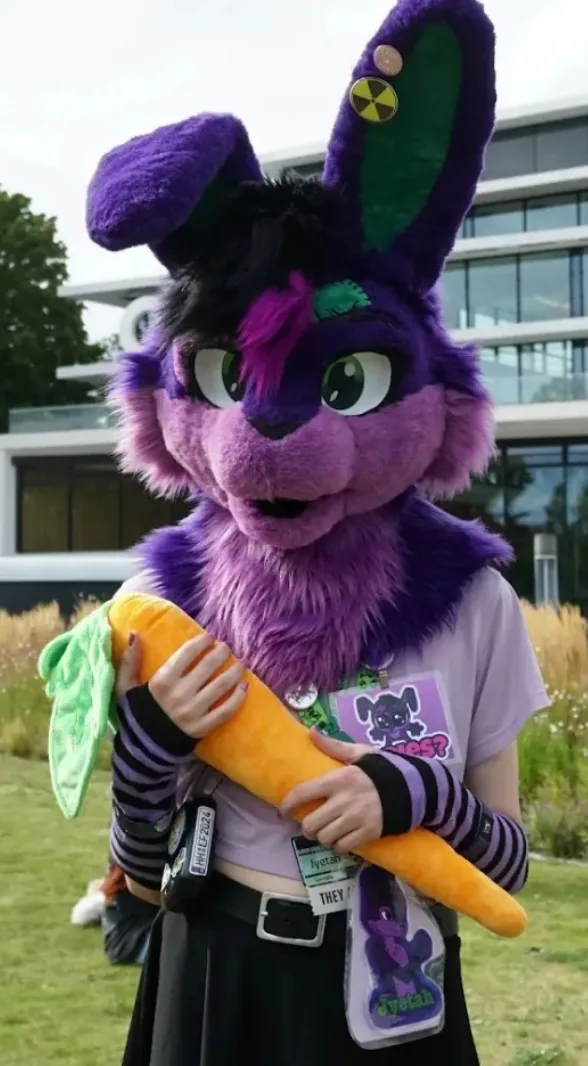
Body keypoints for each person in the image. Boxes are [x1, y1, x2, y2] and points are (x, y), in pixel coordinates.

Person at [84, 1, 548, 1062]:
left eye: (344, 381)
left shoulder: (472, 600)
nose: (266, 432)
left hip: (393, 985)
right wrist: (149, 744)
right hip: (214, 975)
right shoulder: (160, 604)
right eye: (227, 376)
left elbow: (509, 867)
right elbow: (139, 880)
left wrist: (411, 792)